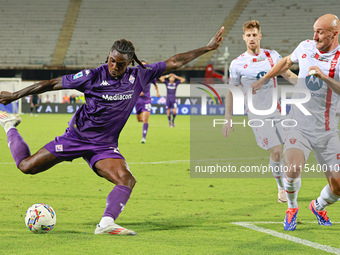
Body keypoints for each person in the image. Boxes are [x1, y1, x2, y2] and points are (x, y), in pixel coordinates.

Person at [0, 26, 224, 236]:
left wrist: (207, 48)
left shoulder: (140, 75)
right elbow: (52, 83)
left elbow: (174, 61)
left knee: (126, 179)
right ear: (107, 56)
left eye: (120, 64)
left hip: (104, 146)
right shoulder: (93, 76)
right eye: (111, 61)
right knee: (26, 167)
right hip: (76, 138)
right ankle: (9, 124)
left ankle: (106, 223)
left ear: (130, 63)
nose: (114, 67)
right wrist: (14, 95)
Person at [251, 14, 340, 231]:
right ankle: (291, 207)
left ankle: (318, 206)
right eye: (314, 30)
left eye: (320, 32)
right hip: (298, 124)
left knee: (338, 187)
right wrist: (264, 79)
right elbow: (286, 61)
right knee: (292, 169)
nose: (315, 35)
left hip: (328, 130)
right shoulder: (306, 47)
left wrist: (324, 77)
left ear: (334, 34)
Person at [222, 20, 297, 203]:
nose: (251, 38)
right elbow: (231, 91)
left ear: (260, 36)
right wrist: (228, 118)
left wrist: (311, 87)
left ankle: (288, 184)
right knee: (277, 152)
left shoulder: (272, 56)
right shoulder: (237, 63)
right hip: (257, 116)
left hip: (278, 112)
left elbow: (289, 75)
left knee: (290, 152)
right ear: (244, 38)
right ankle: (281, 188)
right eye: (248, 35)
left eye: (254, 34)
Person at [135, 60, 160, 143]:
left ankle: (143, 138)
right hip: (137, 100)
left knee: (145, 118)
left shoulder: (150, 76)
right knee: (139, 119)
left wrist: (158, 92)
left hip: (147, 100)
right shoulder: (136, 76)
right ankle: (144, 123)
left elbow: (156, 85)